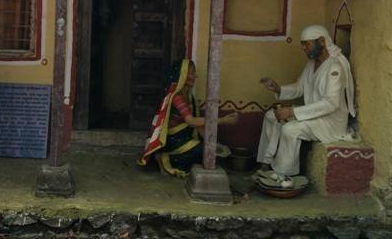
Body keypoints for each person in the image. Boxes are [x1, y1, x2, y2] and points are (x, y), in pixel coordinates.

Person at [257, 25, 356, 177]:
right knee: (271, 116)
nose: (303, 48)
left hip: (329, 122)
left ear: (321, 41)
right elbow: (300, 87)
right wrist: (278, 89)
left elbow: (331, 103)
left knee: (290, 129)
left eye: (306, 44)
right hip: (314, 115)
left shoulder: (334, 67)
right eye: (302, 44)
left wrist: (292, 112)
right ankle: (266, 163)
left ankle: (283, 175)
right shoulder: (311, 64)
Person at [138, 59, 238, 177]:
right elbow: (191, 121)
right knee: (202, 153)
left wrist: (209, 142)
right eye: (191, 72)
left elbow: (197, 124)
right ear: (183, 75)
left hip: (184, 136)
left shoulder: (190, 98)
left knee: (208, 152)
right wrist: (223, 120)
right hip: (173, 140)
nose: (195, 76)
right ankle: (165, 159)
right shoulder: (177, 97)